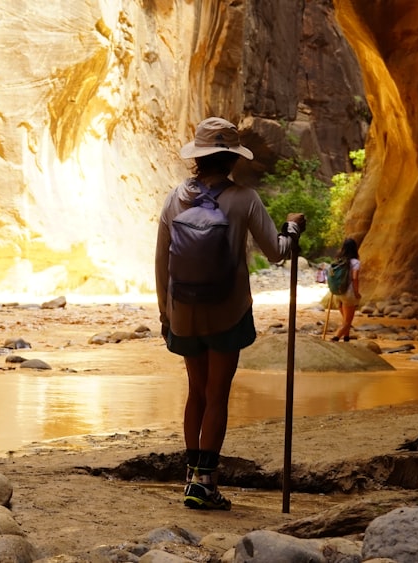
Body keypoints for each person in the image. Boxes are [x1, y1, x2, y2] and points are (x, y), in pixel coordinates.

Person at [155, 117, 305, 510]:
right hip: (227, 310)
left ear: (198, 159)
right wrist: (291, 229)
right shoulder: (245, 198)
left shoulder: (175, 198)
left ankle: (191, 478)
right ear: (232, 159)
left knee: (197, 393)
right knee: (218, 394)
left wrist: (165, 314)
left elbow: (160, 262)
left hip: (184, 311)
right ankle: (206, 484)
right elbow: (277, 251)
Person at [331, 237, 361, 342]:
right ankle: (335, 339)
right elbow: (355, 278)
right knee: (347, 321)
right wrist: (356, 292)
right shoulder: (355, 262)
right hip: (348, 294)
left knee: (345, 319)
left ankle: (346, 338)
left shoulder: (338, 261)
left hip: (337, 293)